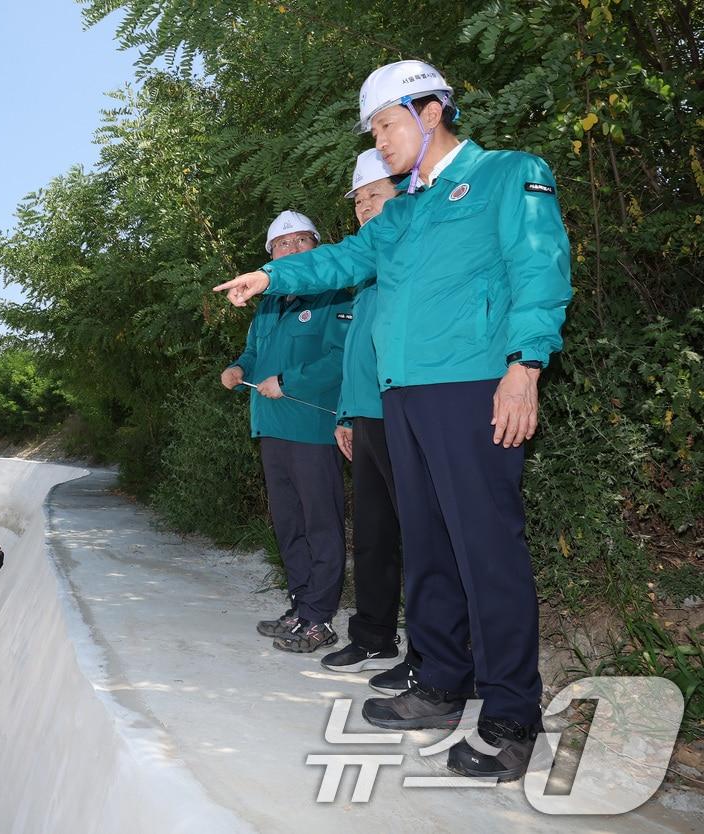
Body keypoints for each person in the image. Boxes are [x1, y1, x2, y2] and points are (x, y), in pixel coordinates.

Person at [212, 60, 571, 782]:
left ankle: (510, 720)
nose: (378, 140)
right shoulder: (403, 212)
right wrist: (271, 276)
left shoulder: (506, 174)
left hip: (473, 385)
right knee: (430, 549)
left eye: (384, 123)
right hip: (401, 394)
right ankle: (441, 681)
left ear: (430, 110)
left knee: (485, 551)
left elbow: (541, 268)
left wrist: (523, 366)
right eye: (373, 129)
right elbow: (341, 259)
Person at [221, 210, 352, 654]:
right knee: (289, 524)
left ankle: (320, 620)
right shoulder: (270, 304)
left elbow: (340, 358)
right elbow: (254, 352)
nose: (292, 250)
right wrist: (240, 368)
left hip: (313, 430)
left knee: (321, 525)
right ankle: (300, 606)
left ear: (317, 246)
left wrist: (291, 382)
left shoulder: (336, 296)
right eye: (283, 245)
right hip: (271, 430)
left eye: (301, 242)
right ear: (270, 256)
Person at [318, 149, 424, 695]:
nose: (363, 207)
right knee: (376, 536)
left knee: (424, 537)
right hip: (365, 417)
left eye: (372, 195)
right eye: (358, 200)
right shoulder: (366, 273)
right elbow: (354, 354)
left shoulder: (410, 257)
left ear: (403, 192)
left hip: (407, 415)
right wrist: (344, 415)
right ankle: (374, 634)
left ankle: (431, 654)